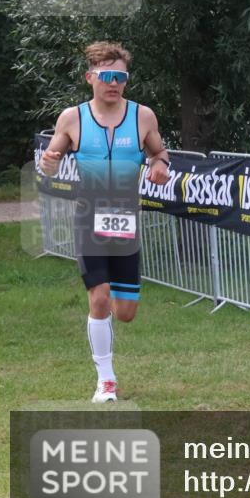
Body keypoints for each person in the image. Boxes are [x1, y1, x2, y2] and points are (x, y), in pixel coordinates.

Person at [39, 41, 171, 403]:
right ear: (90, 77)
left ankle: (106, 321)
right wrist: (48, 163)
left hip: (125, 219)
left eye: (121, 77)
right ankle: (106, 380)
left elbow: (159, 153)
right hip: (88, 218)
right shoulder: (72, 117)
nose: (114, 83)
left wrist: (160, 166)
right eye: (107, 76)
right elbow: (49, 161)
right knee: (99, 298)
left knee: (124, 312)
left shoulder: (142, 116)